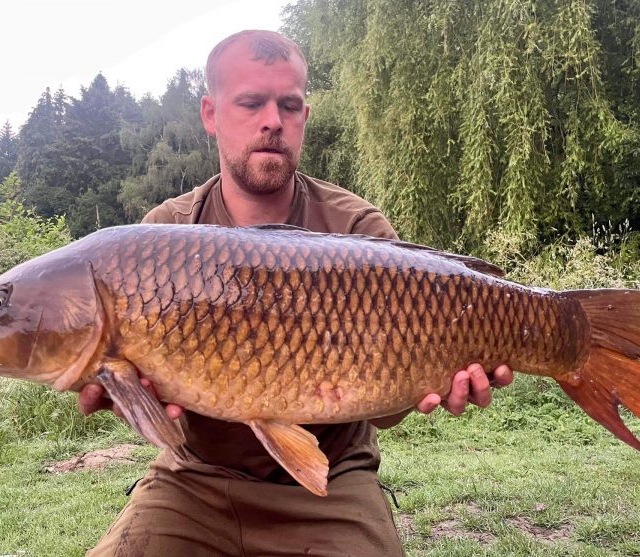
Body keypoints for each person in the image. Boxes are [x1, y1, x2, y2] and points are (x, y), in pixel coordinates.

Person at [81, 30, 513, 556]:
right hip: (195, 479)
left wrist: (434, 376)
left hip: (330, 480)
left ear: (304, 117)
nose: (272, 120)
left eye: (288, 105)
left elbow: (384, 412)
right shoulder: (164, 237)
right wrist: (125, 393)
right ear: (211, 114)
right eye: (251, 103)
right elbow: (144, 402)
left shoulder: (356, 230)